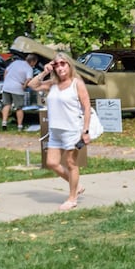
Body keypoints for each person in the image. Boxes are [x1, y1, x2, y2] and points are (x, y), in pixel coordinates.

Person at [28, 52, 92, 210]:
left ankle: (72, 198)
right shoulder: (52, 84)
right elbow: (32, 85)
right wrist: (45, 72)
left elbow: (87, 107)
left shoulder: (76, 83)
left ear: (69, 65)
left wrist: (85, 131)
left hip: (72, 130)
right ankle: (76, 186)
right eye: (57, 64)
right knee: (51, 163)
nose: (60, 67)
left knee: (71, 163)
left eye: (63, 63)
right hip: (55, 130)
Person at [0, 51, 34, 129]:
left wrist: (6, 80)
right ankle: (19, 126)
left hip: (6, 86)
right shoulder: (29, 68)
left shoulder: (16, 62)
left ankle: (4, 123)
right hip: (17, 88)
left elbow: (6, 71)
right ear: (33, 61)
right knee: (19, 107)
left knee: (6, 104)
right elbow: (29, 79)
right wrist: (24, 86)